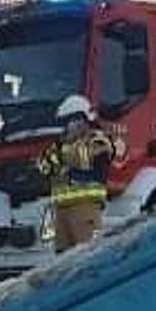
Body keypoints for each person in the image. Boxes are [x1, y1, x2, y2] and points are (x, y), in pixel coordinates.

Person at [38, 95, 115, 253]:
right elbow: (43, 164)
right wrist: (60, 157)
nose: (68, 126)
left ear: (82, 120)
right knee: (63, 261)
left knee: (88, 256)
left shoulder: (97, 140)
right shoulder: (60, 144)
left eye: (71, 121)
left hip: (85, 209)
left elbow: (83, 157)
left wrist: (60, 158)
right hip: (61, 211)